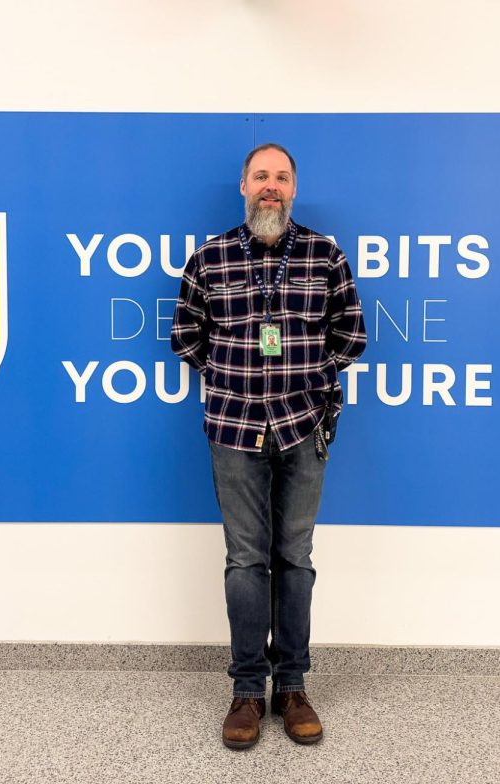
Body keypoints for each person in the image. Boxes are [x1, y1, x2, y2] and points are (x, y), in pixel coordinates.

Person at [170, 143, 367, 749]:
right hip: (232, 431)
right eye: (261, 177)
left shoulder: (324, 254)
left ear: (294, 188)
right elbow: (186, 338)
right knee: (246, 561)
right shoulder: (209, 258)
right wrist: (234, 382)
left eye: (282, 178)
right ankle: (247, 691)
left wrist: (309, 383)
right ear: (243, 186)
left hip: (304, 429)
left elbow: (351, 334)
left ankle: (293, 686)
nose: (271, 187)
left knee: (296, 560)